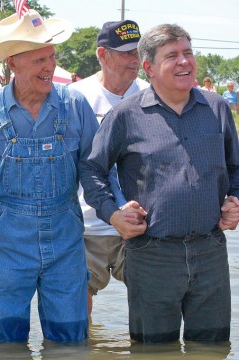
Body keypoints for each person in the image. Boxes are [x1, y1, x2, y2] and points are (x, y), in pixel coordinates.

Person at [0, 9, 131, 343]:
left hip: (66, 241)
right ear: (12, 63)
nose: (50, 67)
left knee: (70, 341)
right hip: (5, 246)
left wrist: (118, 210)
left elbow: (96, 171)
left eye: (51, 57)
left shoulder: (75, 105)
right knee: (6, 342)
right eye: (39, 60)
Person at [82, 23, 239, 343]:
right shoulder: (126, 115)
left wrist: (235, 199)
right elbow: (92, 170)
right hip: (151, 254)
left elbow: (236, 168)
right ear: (149, 67)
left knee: (212, 347)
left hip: (210, 252)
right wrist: (112, 214)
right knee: (153, 349)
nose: (184, 61)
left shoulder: (217, 108)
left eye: (188, 53)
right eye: (172, 56)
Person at [70, 19, 149, 315]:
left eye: (138, 52)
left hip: (140, 223)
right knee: (77, 307)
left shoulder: (150, 96)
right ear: (102, 55)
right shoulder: (76, 98)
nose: (135, 60)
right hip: (86, 225)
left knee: (152, 299)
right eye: (127, 53)